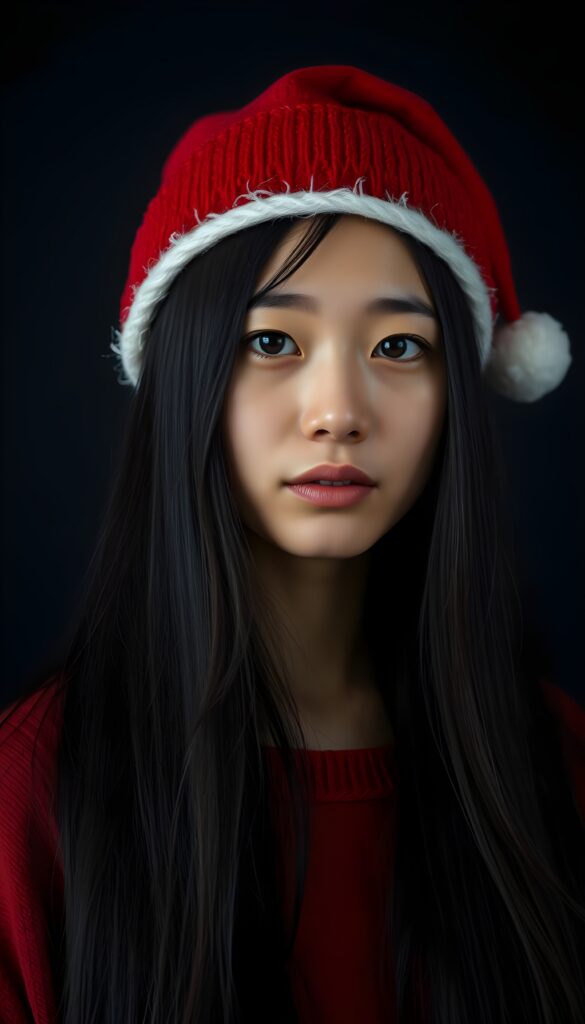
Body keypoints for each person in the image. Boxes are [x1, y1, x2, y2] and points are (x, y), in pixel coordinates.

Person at [1, 63, 584, 1024]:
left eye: (398, 348)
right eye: (271, 342)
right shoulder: (31, 798)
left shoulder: (554, 767)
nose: (337, 414)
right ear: (187, 375)